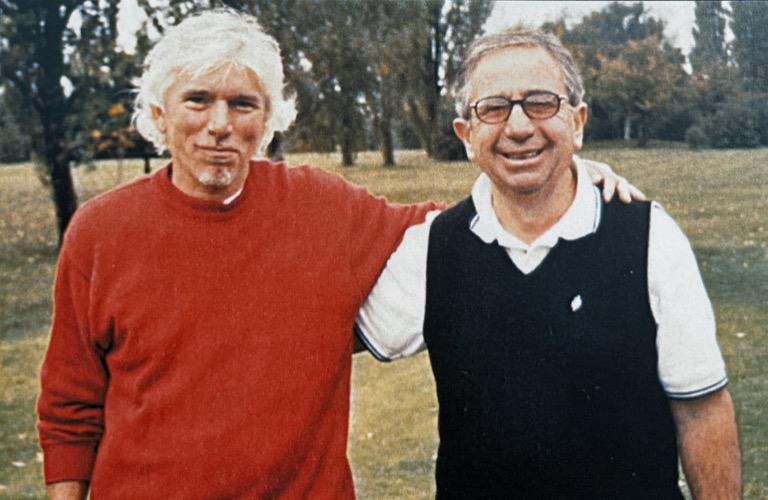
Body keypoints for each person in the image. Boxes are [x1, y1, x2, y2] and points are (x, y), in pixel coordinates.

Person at [36, 10, 635, 499]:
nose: (220, 124)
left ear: (266, 118)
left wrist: (557, 179)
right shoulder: (99, 232)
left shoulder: (321, 207)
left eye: (242, 104)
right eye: (197, 100)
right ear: (160, 114)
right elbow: (69, 408)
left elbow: (453, 229)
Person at [357, 29, 741, 499]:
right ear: (466, 135)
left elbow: (703, 410)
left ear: (577, 122)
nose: (518, 127)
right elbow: (322, 337)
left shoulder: (649, 237)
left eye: (540, 103)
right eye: (493, 108)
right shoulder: (433, 250)